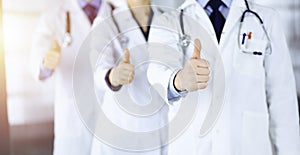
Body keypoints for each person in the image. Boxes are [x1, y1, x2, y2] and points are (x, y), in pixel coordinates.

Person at [147, 0, 300, 155]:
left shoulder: (266, 19)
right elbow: (156, 70)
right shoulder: (169, 22)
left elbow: (283, 100)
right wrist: (179, 80)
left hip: (248, 147)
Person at [90, 0, 169, 154]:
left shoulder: (167, 19)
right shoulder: (107, 22)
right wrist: (113, 76)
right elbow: (99, 68)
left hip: (162, 127)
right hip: (123, 131)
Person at [30, 0, 103, 154]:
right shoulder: (55, 14)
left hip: (113, 121)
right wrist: (46, 61)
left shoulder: (116, 10)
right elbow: (38, 53)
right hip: (73, 122)